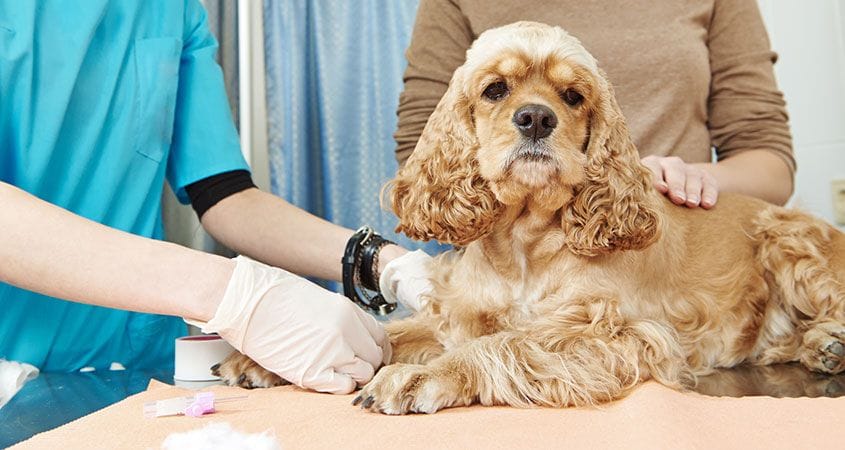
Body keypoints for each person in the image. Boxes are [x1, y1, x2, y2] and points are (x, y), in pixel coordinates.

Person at [0, 0, 425, 395]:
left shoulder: (172, 9)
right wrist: (234, 294)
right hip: (13, 371)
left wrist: (382, 262)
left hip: (135, 363)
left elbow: (225, 194)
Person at [394, 0, 795, 209]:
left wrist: (682, 180)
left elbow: (770, 165)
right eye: (497, 88)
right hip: (507, 257)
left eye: (572, 96)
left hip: (668, 245)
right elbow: (419, 154)